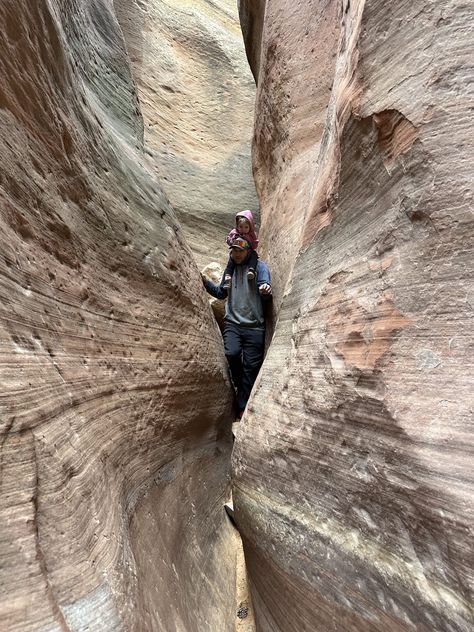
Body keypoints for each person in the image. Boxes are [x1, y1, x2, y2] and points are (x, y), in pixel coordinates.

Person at [202, 237, 272, 419]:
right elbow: (220, 293)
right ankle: (240, 391)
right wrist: (205, 282)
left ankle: (241, 408)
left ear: (248, 251)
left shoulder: (259, 267)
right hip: (233, 323)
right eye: (234, 251)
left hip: (255, 326)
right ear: (231, 252)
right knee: (232, 354)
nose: (238, 254)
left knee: (251, 369)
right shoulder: (229, 272)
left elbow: (267, 297)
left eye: (241, 251)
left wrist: (265, 291)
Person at [223, 210, 259, 288]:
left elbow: (253, 245)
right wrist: (232, 241)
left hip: (247, 253)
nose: (243, 229)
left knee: (254, 255)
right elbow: (228, 240)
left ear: (250, 227)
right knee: (231, 261)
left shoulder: (251, 235)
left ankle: (251, 270)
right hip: (236, 252)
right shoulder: (234, 233)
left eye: (246, 227)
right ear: (237, 226)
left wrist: (254, 243)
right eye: (241, 227)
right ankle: (228, 276)